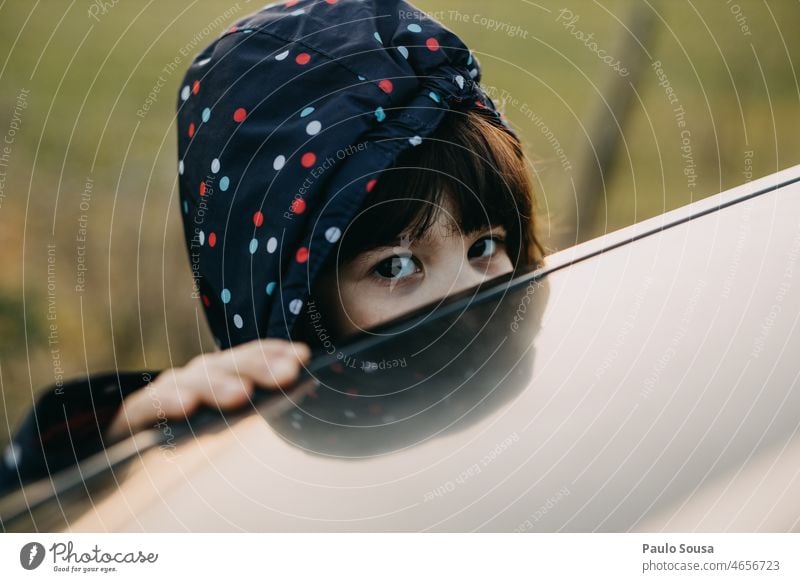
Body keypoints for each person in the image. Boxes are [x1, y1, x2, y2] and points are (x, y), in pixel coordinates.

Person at [0, 0, 544, 492]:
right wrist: (116, 448)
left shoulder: (562, 407)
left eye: (485, 246)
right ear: (292, 302)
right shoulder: (228, 489)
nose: (472, 291)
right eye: (396, 265)